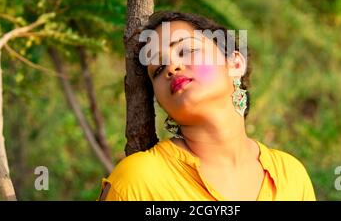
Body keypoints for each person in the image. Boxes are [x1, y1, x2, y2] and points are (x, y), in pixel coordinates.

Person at [98, 11, 316, 201]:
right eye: (158, 69)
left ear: (235, 63)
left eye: (186, 51)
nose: (172, 67)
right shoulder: (137, 183)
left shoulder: (291, 177)